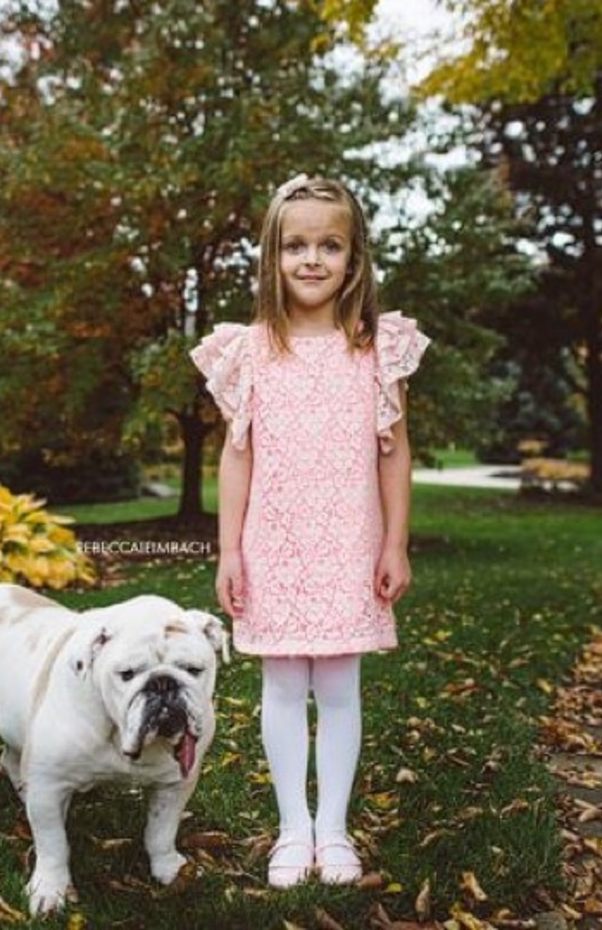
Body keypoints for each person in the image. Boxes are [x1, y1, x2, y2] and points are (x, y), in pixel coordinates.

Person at [190, 174, 428, 888]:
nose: (312, 259)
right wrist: (230, 551)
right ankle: (294, 828)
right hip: (274, 543)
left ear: (354, 258)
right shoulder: (250, 351)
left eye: (330, 245)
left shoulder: (376, 348)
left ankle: (335, 829)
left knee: (341, 686)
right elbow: (237, 456)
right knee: (285, 684)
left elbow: (394, 451)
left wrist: (394, 542)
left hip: (349, 542)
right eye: (296, 246)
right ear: (274, 256)